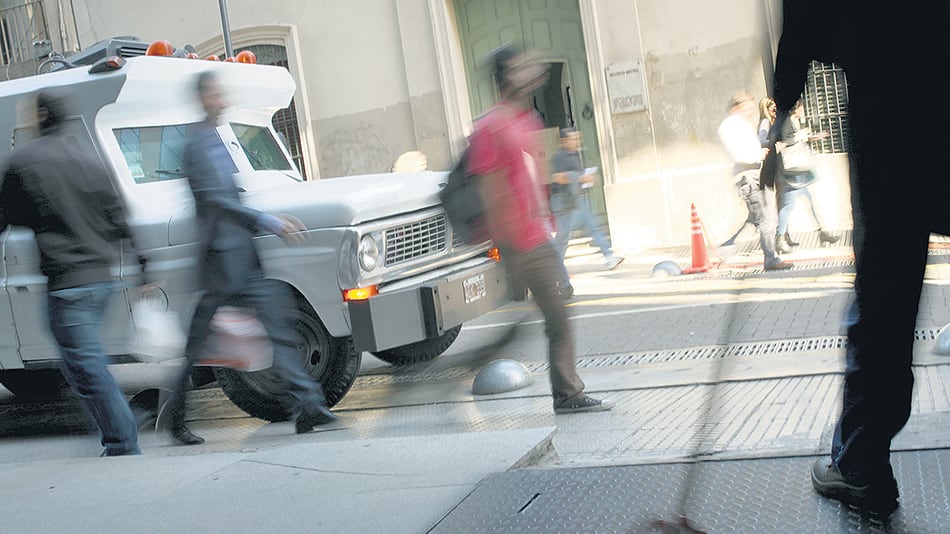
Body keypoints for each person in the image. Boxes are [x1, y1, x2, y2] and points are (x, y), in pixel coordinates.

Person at [774, 2, 950, 518]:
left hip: (893, 105)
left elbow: (804, 17)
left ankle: (861, 465)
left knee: (885, 294)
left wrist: (784, 104)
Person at [164, 71, 337, 445]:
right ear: (202, 98)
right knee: (195, 350)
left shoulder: (214, 138)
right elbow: (215, 200)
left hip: (243, 257)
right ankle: (173, 419)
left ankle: (307, 407)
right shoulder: (195, 144)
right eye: (216, 95)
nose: (222, 100)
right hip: (219, 265)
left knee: (278, 329)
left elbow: (230, 195)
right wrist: (267, 220)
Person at [468, 44, 612, 414]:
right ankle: (566, 393)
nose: (531, 72)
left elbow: (529, 181)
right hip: (522, 241)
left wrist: (545, 222)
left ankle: (560, 387)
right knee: (558, 314)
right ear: (504, 77)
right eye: (521, 67)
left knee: (557, 311)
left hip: (538, 234)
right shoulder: (491, 126)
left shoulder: (526, 121)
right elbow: (488, 188)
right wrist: (507, 246)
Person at [0, 91, 143, 457]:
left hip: (68, 283)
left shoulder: (24, 160)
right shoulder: (88, 159)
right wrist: (144, 266)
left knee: (86, 367)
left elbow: (8, 216)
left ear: (42, 115)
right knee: (83, 361)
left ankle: (122, 442)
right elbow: (119, 216)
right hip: (102, 279)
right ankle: (121, 430)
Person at [716, 92, 792, 271]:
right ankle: (771, 258)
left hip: (751, 174)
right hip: (747, 175)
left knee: (755, 219)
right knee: (764, 219)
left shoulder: (738, 124)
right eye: (747, 107)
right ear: (737, 107)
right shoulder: (731, 126)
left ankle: (725, 248)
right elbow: (738, 153)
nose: (750, 110)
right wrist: (759, 154)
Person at [551, 127, 624, 288]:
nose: (577, 142)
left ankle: (610, 257)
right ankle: (555, 269)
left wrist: (587, 178)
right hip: (563, 202)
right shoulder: (559, 157)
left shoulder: (575, 154)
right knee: (562, 238)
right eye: (573, 139)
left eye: (578, 138)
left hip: (577, 198)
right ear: (563, 141)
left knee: (594, 226)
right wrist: (579, 177)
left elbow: (577, 176)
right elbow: (557, 177)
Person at [773, 99, 839, 253]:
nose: (803, 110)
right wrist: (800, 135)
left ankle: (823, 232)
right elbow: (784, 142)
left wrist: (813, 136)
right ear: (796, 109)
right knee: (788, 205)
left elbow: (797, 138)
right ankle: (780, 238)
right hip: (791, 171)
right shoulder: (786, 122)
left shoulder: (795, 121)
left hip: (799, 168)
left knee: (810, 200)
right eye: (801, 108)